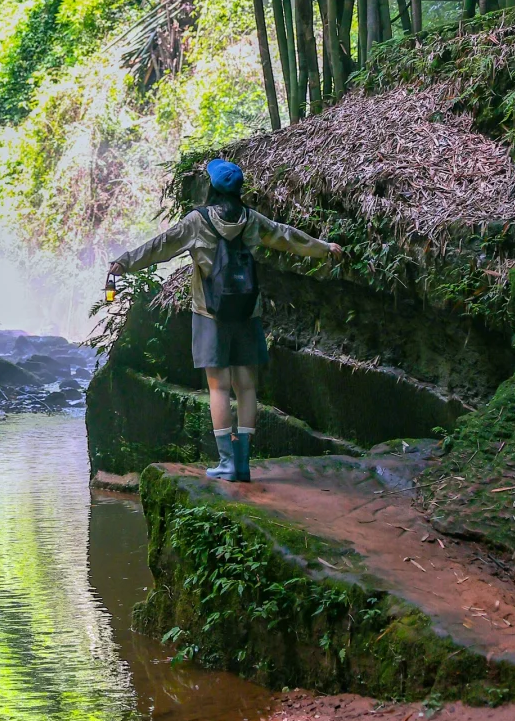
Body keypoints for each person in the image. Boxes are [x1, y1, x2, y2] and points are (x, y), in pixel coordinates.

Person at [107, 158, 341, 483]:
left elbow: (161, 246)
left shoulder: (197, 221)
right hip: (247, 312)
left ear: (211, 189)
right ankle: (243, 464)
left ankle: (226, 462)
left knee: (218, 388)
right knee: (247, 387)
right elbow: (287, 236)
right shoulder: (252, 220)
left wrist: (125, 262)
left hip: (209, 314)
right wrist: (323, 248)